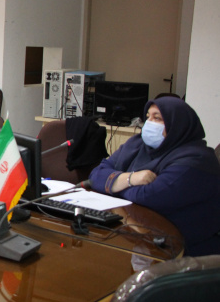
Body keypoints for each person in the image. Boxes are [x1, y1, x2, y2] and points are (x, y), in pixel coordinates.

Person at [89, 97, 220, 256]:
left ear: (177, 124)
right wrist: (131, 179)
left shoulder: (197, 160)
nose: (149, 123)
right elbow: (96, 175)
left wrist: (114, 185)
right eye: (148, 117)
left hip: (185, 250)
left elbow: (149, 196)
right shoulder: (137, 144)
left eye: (157, 118)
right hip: (140, 235)